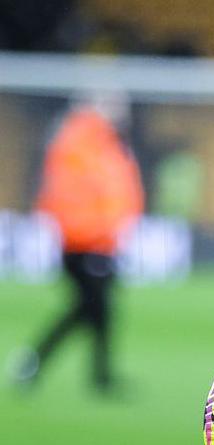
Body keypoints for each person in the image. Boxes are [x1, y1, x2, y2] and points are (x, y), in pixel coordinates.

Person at [11, 97, 144, 393]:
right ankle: (35, 361)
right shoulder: (82, 147)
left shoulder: (102, 146)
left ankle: (99, 376)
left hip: (99, 242)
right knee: (89, 308)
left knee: (98, 309)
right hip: (86, 243)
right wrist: (98, 233)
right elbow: (79, 197)